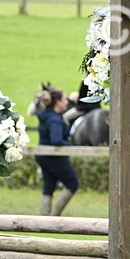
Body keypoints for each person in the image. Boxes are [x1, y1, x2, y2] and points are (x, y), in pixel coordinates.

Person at [34, 87, 79, 215]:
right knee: (72, 183)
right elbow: (56, 140)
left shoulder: (47, 116)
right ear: (57, 102)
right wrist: (69, 145)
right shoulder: (55, 120)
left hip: (43, 155)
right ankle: (55, 216)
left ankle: (45, 218)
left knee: (49, 185)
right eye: (64, 99)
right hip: (54, 156)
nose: (67, 102)